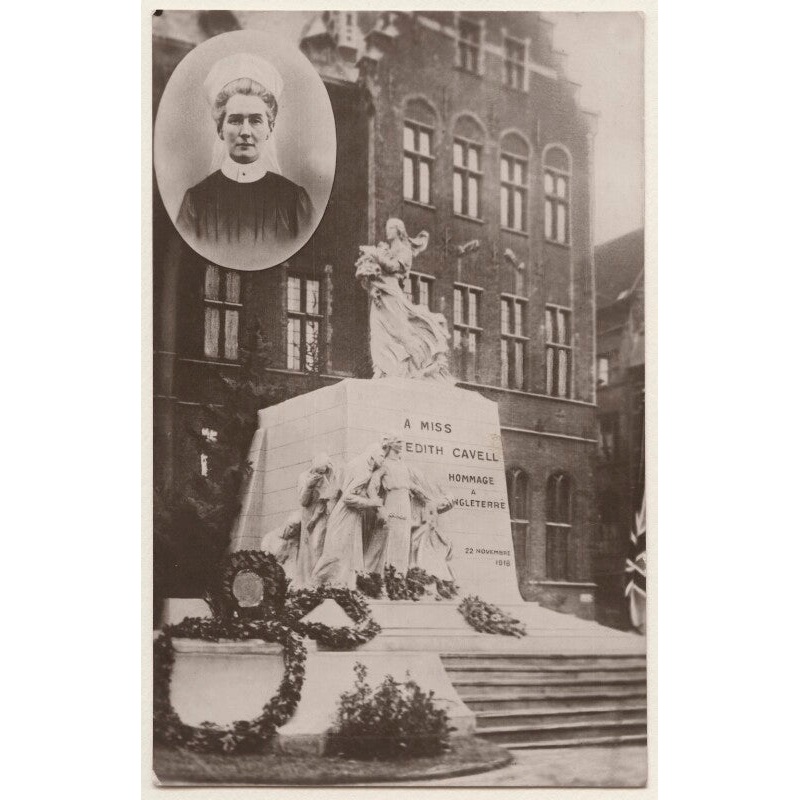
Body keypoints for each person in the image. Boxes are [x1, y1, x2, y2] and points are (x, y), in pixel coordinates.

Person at [177, 53, 313, 251]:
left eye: (256, 120)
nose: (245, 132)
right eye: (236, 120)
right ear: (220, 129)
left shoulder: (294, 202)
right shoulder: (196, 202)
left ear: (270, 129)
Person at [355, 219, 453, 382]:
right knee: (377, 332)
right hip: (380, 294)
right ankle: (382, 369)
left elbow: (394, 267)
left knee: (398, 333)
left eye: (390, 228)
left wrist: (376, 255)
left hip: (392, 295)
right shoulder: (386, 249)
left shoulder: (404, 251)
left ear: (399, 231)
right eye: (386, 228)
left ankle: (416, 363)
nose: (387, 231)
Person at [310, 441, 390, 589]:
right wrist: (372, 503)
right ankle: (314, 584)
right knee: (335, 552)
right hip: (345, 515)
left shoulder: (360, 466)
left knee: (348, 555)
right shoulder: (364, 472)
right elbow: (347, 497)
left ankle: (340, 587)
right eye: (381, 456)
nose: (383, 459)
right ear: (372, 456)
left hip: (350, 516)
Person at [291, 453, 340, 589]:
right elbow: (303, 501)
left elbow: (331, 495)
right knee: (309, 549)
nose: (320, 474)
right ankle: (310, 583)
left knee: (318, 545)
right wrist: (309, 486)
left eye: (323, 471)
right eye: (318, 471)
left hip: (322, 515)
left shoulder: (329, 477)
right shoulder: (304, 477)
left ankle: (319, 580)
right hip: (309, 515)